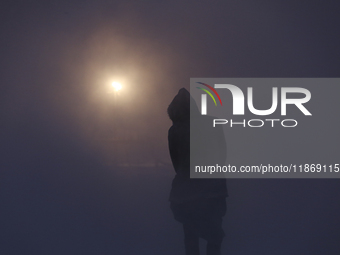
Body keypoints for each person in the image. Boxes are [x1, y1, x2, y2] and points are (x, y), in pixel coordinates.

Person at [167, 88, 228, 255]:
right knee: (214, 234)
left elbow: (176, 162)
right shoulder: (212, 124)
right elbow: (222, 154)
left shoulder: (174, 131)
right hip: (213, 189)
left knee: (190, 233)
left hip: (186, 190)